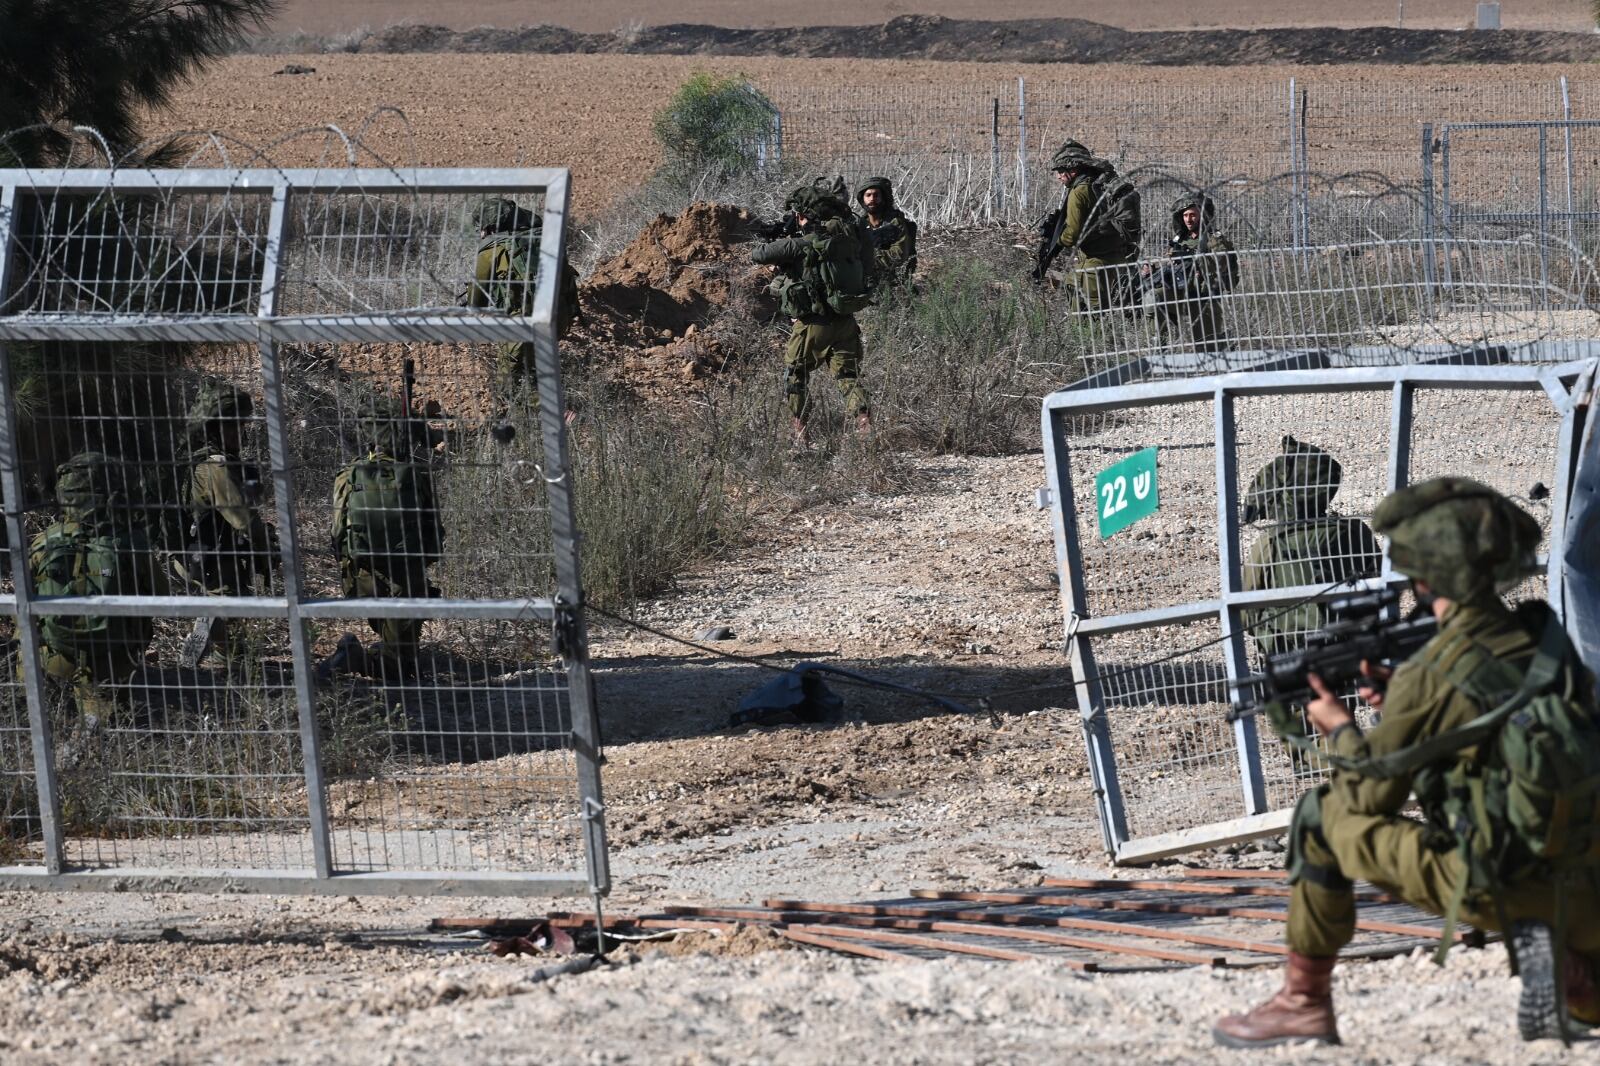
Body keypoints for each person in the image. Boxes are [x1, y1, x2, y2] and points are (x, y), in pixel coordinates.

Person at [1215, 477, 1600, 1048]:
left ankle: (1302, 1002)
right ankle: (1582, 976)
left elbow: (1368, 797)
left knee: (1322, 817)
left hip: (1505, 883)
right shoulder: (1540, 637)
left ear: (1425, 573)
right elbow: (1489, 721)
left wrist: (1339, 729)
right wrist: (1403, 703)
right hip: (1590, 884)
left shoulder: (1434, 671)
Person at [29, 452, 167, 720]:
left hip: (55, 660)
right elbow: (162, 596)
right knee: (112, 723)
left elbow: (22, 606)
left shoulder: (43, 541)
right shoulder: (130, 542)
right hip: (115, 660)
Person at [330, 399, 445, 679]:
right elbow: (434, 532)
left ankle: (387, 655)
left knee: (401, 654)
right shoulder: (414, 476)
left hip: (362, 578)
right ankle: (355, 656)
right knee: (401, 665)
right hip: (406, 576)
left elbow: (337, 533)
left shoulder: (348, 475)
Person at [751, 184, 873, 444]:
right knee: (848, 376)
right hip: (845, 322)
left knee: (796, 375)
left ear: (805, 216)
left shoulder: (803, 243)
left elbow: (759, 254)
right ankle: (865, 426)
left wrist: (785, 244)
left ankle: (800, 433)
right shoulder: (848, 241)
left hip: (813, 325)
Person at [1242, 437, 1383, 658]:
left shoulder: (1269, 542)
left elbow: (1247, 612)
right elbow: (1380, 584)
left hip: (1288, 652)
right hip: (1351, 645)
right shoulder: (1355, 532)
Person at [174, 384, 279, 669]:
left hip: (202, 554)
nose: (239, 434)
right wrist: (267, 548)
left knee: (230, 607)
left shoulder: (198, 458)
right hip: (210, 558)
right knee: (231, 610)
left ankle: (218, 640)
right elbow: (243, 519)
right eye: (233, 427)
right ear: (215, 428)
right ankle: (219, 659)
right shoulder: (215, 467)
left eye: (240, 426)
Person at [465, 197, 579, 399]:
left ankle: (559, 414)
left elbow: (476, 302)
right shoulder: (545, 240)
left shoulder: (491, 250)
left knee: (507, 388)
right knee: (533, 366)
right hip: (559, 318)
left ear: (490, 226)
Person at [1036, 140, 1141, 310]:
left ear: (1073, 169)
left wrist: (1057, 242)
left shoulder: (1079, 192)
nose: (1058, 176)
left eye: (1061, 171)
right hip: (1121, 257)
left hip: (1095, 265)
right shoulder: (1099, 184)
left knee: (1093, 318)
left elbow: (1072, 234)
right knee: (1074, 286)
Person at [1145, 191, 1238, 352]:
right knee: (1154, 296)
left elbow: (1222, 264)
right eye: (1185, 215)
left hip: (1203, 296)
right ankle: (1160, 343)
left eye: (1193, 215)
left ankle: (1223, 343)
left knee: (1206, 349)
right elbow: (1173, 266)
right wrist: (1153, 270)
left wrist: (1200, 265)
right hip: (1179, 293)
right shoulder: (1179, 240)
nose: (1188, 219)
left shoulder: (1213, 239)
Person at [855, 176, 917, 284]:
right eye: (868, 195)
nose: (872, 199)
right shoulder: (859, 224)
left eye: (876, 195)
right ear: (863, 199)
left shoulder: (895, 223)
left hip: (893, 283)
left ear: (883, 198)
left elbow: (899, 254)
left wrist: (867, 257)